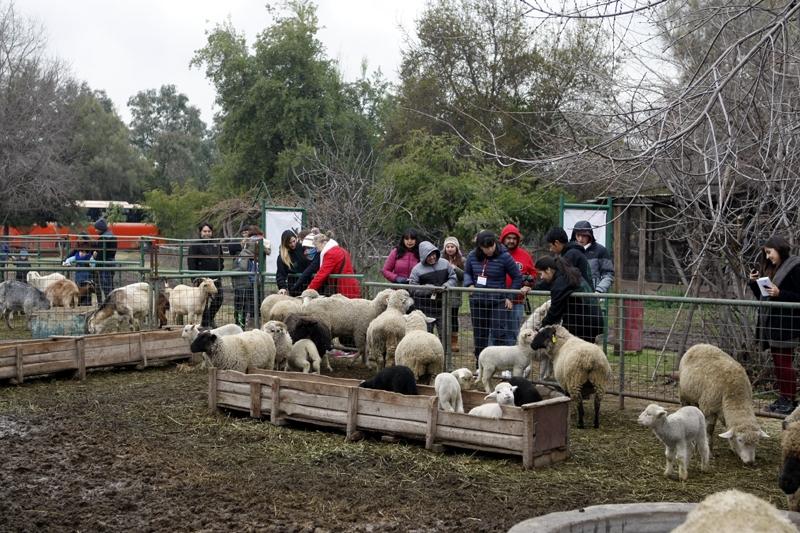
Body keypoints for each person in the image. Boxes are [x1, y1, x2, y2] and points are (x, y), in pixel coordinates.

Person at [748, 235, 800, 414]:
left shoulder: (795, 267)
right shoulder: (774, 269)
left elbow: (797, 296)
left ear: (780, 249)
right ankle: (784, 397)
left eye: (770, 252)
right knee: (778, 363)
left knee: (784, 363)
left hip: (787, 325)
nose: (768, 256)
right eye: (766, 253)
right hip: (772, 324)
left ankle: (790, 400)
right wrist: (754, 283)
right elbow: (764, 298)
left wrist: (781, 294)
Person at [463, 231, 522, 365]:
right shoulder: (472, 256)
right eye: (485, 248)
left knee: (499, 333)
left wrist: (509, 296)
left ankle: (502, 364)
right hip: (477, 301)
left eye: (491, 246)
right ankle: (480, 363)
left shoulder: (505, 256)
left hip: (498, 301)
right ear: (480, 247)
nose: (489, 250)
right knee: (479, 333)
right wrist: (469, 284)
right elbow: (467, 272)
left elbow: (517, 277)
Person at [534, 255, 604, 343]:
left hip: (583, 323)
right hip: (592, 318)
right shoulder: (567, 274)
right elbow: (546, 284)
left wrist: (541, 328)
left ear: (548, 270)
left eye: (541, 274)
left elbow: (555, 310)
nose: (541, 277)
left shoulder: (560, 283)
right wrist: (531, 286)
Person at [409, 241, 456, 337]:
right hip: (425, 309)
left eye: (433, 254)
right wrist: (428, 289)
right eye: (428, 256)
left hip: (443, 306)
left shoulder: (445, 263)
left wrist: (446, 286)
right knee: (426, 336)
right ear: (423, 256)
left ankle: (444, 351)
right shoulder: (417, 270)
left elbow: (453, 277)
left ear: (436, 253)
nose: (432, 257)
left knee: (445, 334)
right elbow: (412, 288)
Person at [499, 223, 537, 340]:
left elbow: (533, 274)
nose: (511, 241)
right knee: (496, 332)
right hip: (497, 300)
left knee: (513, 333)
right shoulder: (495, 254)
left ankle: (511, 358)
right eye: (508, 238)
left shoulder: (525, 255)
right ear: (503, 238)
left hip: (516, 301)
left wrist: (528, 285)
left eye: (514, 238)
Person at [188, 222, 225, 327]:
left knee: (219, 298)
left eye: (209, 231)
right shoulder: (195, 245)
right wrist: (194, 279)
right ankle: (204, 323)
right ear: (200, 232)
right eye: (204, 231)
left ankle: (209, 318)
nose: (207, 233)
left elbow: (221, 258)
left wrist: (220, 268)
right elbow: (191, 262)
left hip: (215, 278)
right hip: (202, 278)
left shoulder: (216, 244)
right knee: (203, 301)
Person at [308, 232, 361, 298]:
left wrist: (309, 289)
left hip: (344, 289)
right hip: (350, 287)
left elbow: (322, 274)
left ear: (323, 243)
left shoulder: (331, 253)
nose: (317, 250)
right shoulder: (341, 250)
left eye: (316, 246)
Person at [570, 221, 615, 294]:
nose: (580, 239)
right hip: (572, 294)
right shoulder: (570, 250)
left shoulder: (601, 250)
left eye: (584, 235)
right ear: (574, 235)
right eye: (578, 235)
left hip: (593, 295)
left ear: (589, 235)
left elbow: (608, 274)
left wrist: (599, 291)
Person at [442, 236, 464, 353]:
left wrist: (456, 268)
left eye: (452, 246)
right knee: (443, 317)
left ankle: (454, 341)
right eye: (448, 246)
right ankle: (444, 340)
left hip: (455, 294)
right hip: (443, 293)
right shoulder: (440, 260)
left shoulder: (462, 261)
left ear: (456, 248)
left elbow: (464, 276)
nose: (450, 249)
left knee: (453, 318)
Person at [62, 238, 97, 305]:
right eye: (81, 251)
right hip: (80, 275)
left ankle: (86, 302)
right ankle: (80, 302)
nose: (82, 253)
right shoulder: (78, 255)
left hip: (85, 276)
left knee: (87, 289)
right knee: (79, 288)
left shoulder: (88, 256)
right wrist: (67, 263)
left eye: (83, 251)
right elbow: (69, 260)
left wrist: (91, 264)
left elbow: (93, 263)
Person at [232, 238, 257, 328]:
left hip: (243, 284)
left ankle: (240, 324)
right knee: (243, 306)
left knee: (241, 306)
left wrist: (232, 272)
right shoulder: (249, 254)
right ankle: (240, 324)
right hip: (246, 284)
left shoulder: (245, 254)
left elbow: (243, 267)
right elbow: (244, 267)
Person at [276, 229, 309, 296]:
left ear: (296, 239)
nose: (293, 244)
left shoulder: (302, 248)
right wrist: (282, 287)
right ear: (285, 243)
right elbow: (280, 274)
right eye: (290, 243)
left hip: (308, 284)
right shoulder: (282, 257)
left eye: (294, 241)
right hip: (295, 288)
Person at [93, 218, 117, 300]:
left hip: (104, 264)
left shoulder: (103, 238)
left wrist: (95, 256)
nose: (95, 230)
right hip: (111, 262)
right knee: (110, 285)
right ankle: (112, 302)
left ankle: (109, 304)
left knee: (106, 286)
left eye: (96, 228)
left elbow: (101, 254)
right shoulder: (112, 235)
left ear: (101, 228)